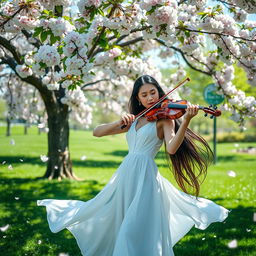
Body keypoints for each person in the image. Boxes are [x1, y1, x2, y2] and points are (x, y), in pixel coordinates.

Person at [37, 75, 230, 256]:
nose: (149, 98)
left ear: (159, 92)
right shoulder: (135, 119)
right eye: (144, 95)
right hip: (126, 175)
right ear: (137, 99)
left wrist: (186, 120)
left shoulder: (164, 120)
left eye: (153, 92)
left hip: (146, 177)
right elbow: (97, 132)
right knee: (117, 220)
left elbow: (171, 148)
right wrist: (120, 121)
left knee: (133, 227)